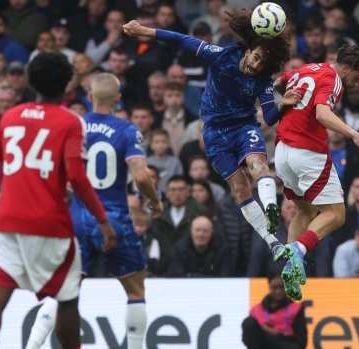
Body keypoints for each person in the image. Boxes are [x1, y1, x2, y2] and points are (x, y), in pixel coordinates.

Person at [123, 9, 300, 264]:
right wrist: (144, 31)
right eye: (256, 58)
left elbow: (270, 116)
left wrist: (283, 105)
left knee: (257, 164)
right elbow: (182, 39)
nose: (256, 66)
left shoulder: (263, 79)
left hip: (244, 127)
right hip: (215, 133)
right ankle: (273, 243)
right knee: (240, 187)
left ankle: (271, 205)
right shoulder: (222, 56)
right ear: (249, 50)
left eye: (263, 63)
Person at [0, 52, 116, 349]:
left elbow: (4, 170)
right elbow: (77, 178)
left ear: (31, 80)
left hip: (6, 221)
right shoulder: (70, 121)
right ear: (67, 84)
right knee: (67, 299)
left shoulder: (9, 117)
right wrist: (103, 221)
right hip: (49, 222)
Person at [26, 73, 164, 349]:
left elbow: (58, 176)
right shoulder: (127, 130)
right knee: (135, 290)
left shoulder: (71, 126)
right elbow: (140, 175)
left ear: (89, 97)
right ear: (118, 99)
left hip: (76, 218)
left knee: (64, 290)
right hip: (113, 220)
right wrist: (154, 201)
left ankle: (31, 345)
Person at [268, 44, 359, 300]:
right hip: (307, 151)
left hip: (282, 153)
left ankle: (291, 269)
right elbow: (322, 113)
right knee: (336, 215)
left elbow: (279, 83)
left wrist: (286, 100)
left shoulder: (307, 69)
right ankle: (298, 250)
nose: (356, 84)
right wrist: (355, 135)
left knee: (306, 211)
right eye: (357, 77)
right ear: (346, 68)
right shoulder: (333, 79)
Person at [242, 275, 307, 349]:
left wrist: (277, 334)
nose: (278, 291)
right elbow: (247, 338)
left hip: (286, 344)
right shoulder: (256, 310)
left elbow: (301, 342)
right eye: (275, 288)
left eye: (282, 287)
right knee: (248, 322)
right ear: (269, 287)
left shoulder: (296, 309)